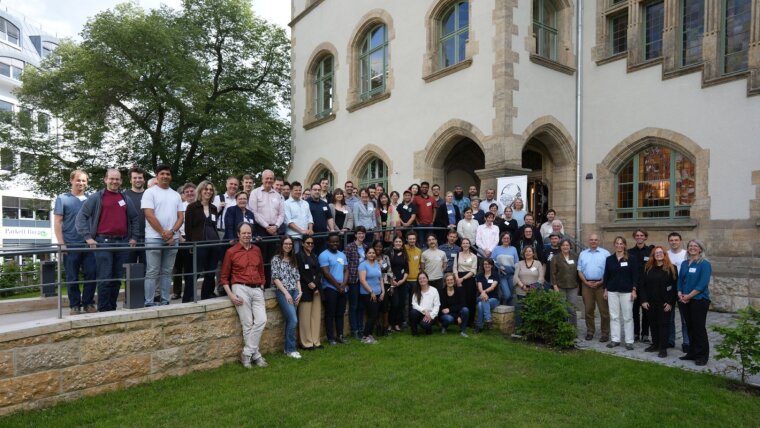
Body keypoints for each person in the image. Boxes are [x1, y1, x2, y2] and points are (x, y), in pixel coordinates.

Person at [75, 169, 140, 312]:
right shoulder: (96, 198)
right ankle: (104, 310)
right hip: (103, 242)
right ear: (105, 180)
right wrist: (88, 238)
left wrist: (134, 237)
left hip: (122, 243)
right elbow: (81, 217)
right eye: (111, 179)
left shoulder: (124, 198)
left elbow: (135, 218)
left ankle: (113, 307)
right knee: (105, 278)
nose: (114, 181)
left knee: (117, 278)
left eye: (117, 179)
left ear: (121, 181)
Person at [220, 222, 268, 368]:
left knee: (261, 320)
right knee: (247, 323)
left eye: (249, 233)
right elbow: (223, 277)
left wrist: (262, 284)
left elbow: (261, 270)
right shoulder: (231, 252)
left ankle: (247, 353)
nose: (247, 236)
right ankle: (256, 356)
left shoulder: (257, 250)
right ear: (238, 235)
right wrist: (231, 295)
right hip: (240, 288)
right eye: (244, 233)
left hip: (257, 288)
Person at [54, 170, 97, 315]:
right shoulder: (62, 198)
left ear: (87, 182)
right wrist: (61, 243)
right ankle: (74, 305)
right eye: (78, 180)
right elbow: (58, 222)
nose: (81, 183)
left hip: (88, 245)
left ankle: (88, 303)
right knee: (72, 277)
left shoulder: (91, 199)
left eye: (84, 181)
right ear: (71, 180)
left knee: (91, 274)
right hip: (70, 245)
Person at [142, 165, 185, 307]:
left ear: (171, 176)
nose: (165, 176)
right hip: (154, 238)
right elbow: (149, 214)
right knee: (152, 271)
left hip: (173, 238)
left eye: (168, 174)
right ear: (157, 175)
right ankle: (149, 301)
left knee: (167, 271)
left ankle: (165, 300)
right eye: (162, 173)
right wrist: (163, 232)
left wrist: (172, 232)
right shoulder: (149, 192)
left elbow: (180, 217)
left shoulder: (176, 195)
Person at [184, 180, 223, 301]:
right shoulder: (192, 207)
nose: (208, 191)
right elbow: (188, 228)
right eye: (206, 189)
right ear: (200, 190)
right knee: (195, 272)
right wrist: (191, 245)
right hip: (199, 243)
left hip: (214, 243)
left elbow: (214, 225)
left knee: (211, 271)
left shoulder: (213, 208)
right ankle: (188, 297)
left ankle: (207, 294)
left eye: (211, 190)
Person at [678, 240, 712, 366]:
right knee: (689, 327)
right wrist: (679, 293)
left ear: (700, 249)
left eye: (695, 246)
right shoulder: (684, 263)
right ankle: (692, 352)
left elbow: (702, 284)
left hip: (699, 300)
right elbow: (680, 280)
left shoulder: (704, 264)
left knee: (699, 328)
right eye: (690, 246)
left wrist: (689, 296)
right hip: (684, 300)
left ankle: (702, 356)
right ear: (687, 249)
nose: (692, 248)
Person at [640, 246, 678, 358]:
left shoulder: (672, 268)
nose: (658, 254)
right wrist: (643, 300)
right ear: (653, 255)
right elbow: (642, 285)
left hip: (664, 303)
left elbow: (674, 287)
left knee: (664, 325)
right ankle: (655, 344)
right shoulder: (647, 268)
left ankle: (663, 348)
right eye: (656, 253)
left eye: (661, 252)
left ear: (665, 254)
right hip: (650, 302)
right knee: (653, 324)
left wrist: (670, 302)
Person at [603, 236, 639, 350]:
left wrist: (634, 290)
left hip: (627, 292)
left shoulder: (631, 259)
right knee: (614, 316)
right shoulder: (609, 259)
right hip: (612, 291)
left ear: (624, 245)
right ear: (614, 245)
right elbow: (606, 275)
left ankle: (629, 341)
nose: (619, 245)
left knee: (628, 317)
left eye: (621, 243)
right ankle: (615, 339)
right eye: (617, 243)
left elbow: (635, 275)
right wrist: (605, 289)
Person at [271, 237, 303, 359]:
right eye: (286, 243)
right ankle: (291, 349)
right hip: (283, 292)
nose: (288, 246)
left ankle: (287, 348)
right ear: (281, 244)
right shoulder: (276, 259)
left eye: (290, 244)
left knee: (291, 320)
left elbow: (297, 277)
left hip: (295, 291)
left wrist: (300, 291)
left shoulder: (293, 259)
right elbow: (275, 278)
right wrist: (286, 293)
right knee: (294, 320)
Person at [248, 169, 284, 275]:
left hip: (274, 230)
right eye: (266, 178)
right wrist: (267, 226)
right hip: (260, 229)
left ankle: (268, 285)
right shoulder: (255, 193)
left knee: (271, 259)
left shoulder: (278, 195)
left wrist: (276, 226)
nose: (269, 180)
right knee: (260, 259)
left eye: (271, 178)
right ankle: (259, 285)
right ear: (262, 179)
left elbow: (281, 214)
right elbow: (253, 212)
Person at [578, 233, 611, 342]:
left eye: (596, 240)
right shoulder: (582, 254)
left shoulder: (606, 254)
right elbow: (580, 270)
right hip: (586, 285)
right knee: (588, 310)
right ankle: (590, 331)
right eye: (591, 240)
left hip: (601, 285)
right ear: (588, 241)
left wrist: (601, 281)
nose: (593, 242)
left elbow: (609, 271)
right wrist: (585, 282)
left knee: (604, 311)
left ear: (599, 241)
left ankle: (605, 333)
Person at [320, 233, 349, 345]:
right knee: (330, 313)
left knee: (340, 313)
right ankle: (330, 337)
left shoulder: (342, 255)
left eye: (337, 241)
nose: (335, 244)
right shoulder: (323, 255)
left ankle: (340, 335)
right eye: (332, 241)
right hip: (330, 288)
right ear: (328, 242)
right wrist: (338, 286)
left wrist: (343, 285)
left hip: (342, 288)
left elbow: (346, 270)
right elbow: (326, 273)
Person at [628, 228, 654, 343]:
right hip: (633, 286)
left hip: (647, 286)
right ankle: (635, 333)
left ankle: (645, 334)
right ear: (635, 237)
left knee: (647, 311)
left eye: (641, 235)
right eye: (637, 235)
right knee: (634, 311)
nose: (639, 237)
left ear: (645, 237)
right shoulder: (629, 252)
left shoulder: (650, 251)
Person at [297, 236, 322, 350]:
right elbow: (301, 272)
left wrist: (315, 284)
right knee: (305, 317)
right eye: (307, 243)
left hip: (316, 289)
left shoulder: (314, 256)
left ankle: (315, 341)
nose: (310, 245)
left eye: (312, 243)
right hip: (305, 289)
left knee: (315, 316)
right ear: (302, 243)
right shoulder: (298, 256)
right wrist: (310, 283)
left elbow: (318, 271)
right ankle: (306, 342)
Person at [666, 232, 689, 352]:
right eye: (671, 240)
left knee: (685, 317)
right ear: (669, 241)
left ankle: (686, 342)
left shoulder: (686, 254)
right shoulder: (666, 254)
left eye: (676, 240)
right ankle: (670, 340)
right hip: (670, 288)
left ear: (680, 241)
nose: (674, 242)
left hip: (684, 288)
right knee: (669, 316)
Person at [345, 226, 368, 339]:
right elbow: (346, 265)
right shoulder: (349, 247)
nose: (361, 235)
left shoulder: (366, 247)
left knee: (361, 306)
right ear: (355, 235)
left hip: (364, 280)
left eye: (363, 233)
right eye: (359, 233)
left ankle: (360, 328)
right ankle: (354, 330)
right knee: (353, 305)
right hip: (353, 280)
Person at [513, 247, 545, 329]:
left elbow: (541, 278)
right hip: (521, 290)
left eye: (530, 251)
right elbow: (515, 277)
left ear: (533, 253)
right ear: (524, 253)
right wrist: (523, 286)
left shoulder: (538, 264)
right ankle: (519, 329)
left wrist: (532, 287)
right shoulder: (519, 263)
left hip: (534, 291)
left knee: (533, 310)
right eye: (526, 251)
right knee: (520, 310)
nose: (528, 253)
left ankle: (531, 329)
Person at [550, 239, 579, 327]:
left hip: (573, 286)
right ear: (560, 247)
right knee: (561, 308)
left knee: (572, 309)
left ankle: (573, 330)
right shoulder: (556, 258)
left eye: (567, 245)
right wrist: (555, 286)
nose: (565, 247)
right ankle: (562, 329)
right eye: (563, 245)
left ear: (570, 246)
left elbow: (579, 270)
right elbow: (553, 273)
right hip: (560, 286)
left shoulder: (575, 257)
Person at [358, 247, 384, 343]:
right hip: (367, 294)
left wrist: (383, 292)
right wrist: (371, 292)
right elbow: (362, 280)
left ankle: (369, 334)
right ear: (366, 254)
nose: (372, 254)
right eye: (369, 253)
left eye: (373, 253)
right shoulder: (363, 265)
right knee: (372, 315)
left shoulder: (377, 264)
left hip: (378, 293)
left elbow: (380, 279)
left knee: (374, 315)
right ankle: (365, 336)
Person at [124, 166, 147, 265]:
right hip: (129, 239)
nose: (137, 180)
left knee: (148, 270)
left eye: (140, 177)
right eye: (135, 178)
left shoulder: (150, 194)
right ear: (130, 180)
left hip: (149, 238)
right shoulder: (123, 196)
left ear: (144, 180)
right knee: (129, 270)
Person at [453, 238, 478, 324]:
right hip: (458, 278)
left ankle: (470, 321)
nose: (465, 245)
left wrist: (462, 279)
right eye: (463, 243)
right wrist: (457, 279)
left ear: (469, 245)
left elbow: (473, 270)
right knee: (459, 300)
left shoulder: (474, 256)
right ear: (461, 245)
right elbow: (455, 268)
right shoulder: (457, 254)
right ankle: (459, 320)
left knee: (470, 300)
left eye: (467, 243)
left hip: (469, 280)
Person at [284, 181, 313, 254]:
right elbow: (288, 222)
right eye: (296, 190)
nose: (298, 192)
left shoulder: (305, 203)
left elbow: (310, 218)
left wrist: (310, 229)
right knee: (295, 258)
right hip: (293, 237)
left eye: (300, 190)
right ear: (291, 191)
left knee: (305, 258)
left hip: (306, 237)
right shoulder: (286, 204)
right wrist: (301, 231)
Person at [387, 236, 409, 332]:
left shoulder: (404, 253)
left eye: (400, 241)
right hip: (392, 282)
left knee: (401, 304)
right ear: (393, 242)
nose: (398, 243)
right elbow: (386, 268)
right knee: (394, 304)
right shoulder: (389, 252)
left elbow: (407, 269)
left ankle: (397, 324)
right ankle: (390, 324)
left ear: (402, 243)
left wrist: (403, 280)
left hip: (402, 282)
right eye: (396, 241)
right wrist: (393, 280)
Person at [308, 182, 336, 252]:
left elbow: (329, 217)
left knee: (322, 256)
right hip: (311, 237)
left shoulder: (325, 204)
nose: (317, 191)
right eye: (315, 190)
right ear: (311, 191)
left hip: (324, 236)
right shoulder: (306, 203)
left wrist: (332, 229)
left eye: (319, 190)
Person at [492, 232, 518, 305]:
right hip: (502, 275)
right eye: (504, 238)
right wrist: (498, 266)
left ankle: (507, 309)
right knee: (507, 295)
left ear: (510, 240)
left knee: (511, 295)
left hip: (511, 275)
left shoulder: (513, 249)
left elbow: (516, 262)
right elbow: (492, 260)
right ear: (501, 239)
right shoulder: (497, 248)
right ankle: (500, 300)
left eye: (508, 238)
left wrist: (516, 273)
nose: (506, 240)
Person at [475, 258, 500, 332]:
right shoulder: (480, 276)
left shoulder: (495, 275)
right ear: (483, 265)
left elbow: (492, 287)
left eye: (489, 264)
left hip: (494, 299)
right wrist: (483, 293)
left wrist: (484, 293)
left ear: (492, 265)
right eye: (485, 264)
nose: (487, 265)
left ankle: (479, 326)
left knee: (480, 304)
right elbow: (479, 287)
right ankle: (488, 320)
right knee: (483, 299)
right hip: (481, 297)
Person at [404, 231, 422, 326]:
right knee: (404, 302)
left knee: (413, 302)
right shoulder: (403, 249)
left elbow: (420, 265)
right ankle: (404, 321)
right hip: (405, 280)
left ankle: (412, 321)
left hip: (415, 280)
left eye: (413, 239)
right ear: (407, 239)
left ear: (416, 239)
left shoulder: (419, 251)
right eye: (410, 239)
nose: (412, 240)